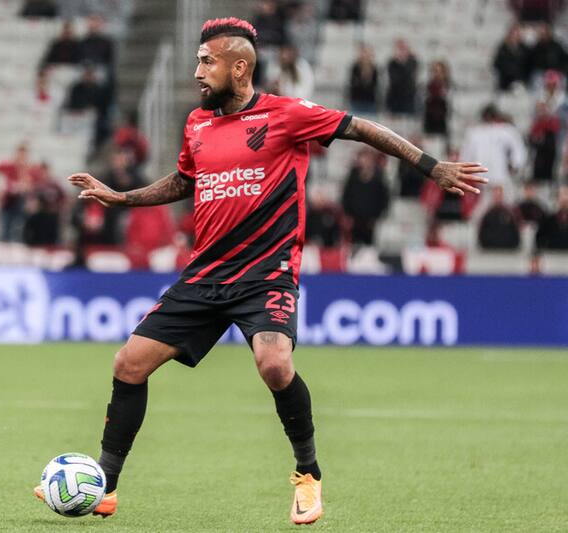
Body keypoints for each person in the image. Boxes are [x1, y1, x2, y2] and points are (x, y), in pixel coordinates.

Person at [33, 17, 487, 525]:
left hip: (266, 275)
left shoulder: (286, 115)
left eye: (207, 62)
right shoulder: (197, 124)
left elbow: (361, 127)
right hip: (205, 275)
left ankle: (308, 476)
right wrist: (123, 198)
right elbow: (185, 181)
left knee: (274, 365)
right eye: (197, 61)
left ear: (240, 66)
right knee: (128, 365)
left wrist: (431, 166)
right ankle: (107, 487)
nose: (198, 71)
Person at [460, 104, 527, 194]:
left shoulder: (506, 130)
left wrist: (515, 164)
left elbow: (518, 149)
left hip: (500, 176)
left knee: (502, 203)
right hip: (480, 178)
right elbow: (466, 155)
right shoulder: (474, 132)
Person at [340, 148, 389, 244]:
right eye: (363, 158)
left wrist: (377, 217)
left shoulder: (379, 177)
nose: (365, 161)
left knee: (368, 247)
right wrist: (347, 214)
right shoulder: (353, 175)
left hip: (371, 221)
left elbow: (384, 198)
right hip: (354, 220)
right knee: (352, 245)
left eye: (367, 158)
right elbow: (346, 195)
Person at [478, 186, 521, 250]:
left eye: (499, 196)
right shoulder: (487, 214)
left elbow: (516, 234)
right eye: (496, 196)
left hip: (508, 251)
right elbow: (481, 235)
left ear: (502, 196)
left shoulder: (510, 213)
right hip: (489, 251)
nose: (497, 198)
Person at [386, 39, 418, 116]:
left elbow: (409, 78)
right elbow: (395, 80)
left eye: (403, 49)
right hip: (394, 99)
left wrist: (403, 63)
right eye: (399, 49)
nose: (401, 52)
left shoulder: (413, 62)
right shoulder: (392, 63)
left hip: (408, 98)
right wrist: (399, 63)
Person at [493, 25, 530, 91]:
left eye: (516, 34)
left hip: (520, 80)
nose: (514, 36)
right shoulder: (503, 48)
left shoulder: (524, 48)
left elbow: (528, 64)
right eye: (513, 34)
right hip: (505, 81)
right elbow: (497, 63)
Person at [348, 44, 379, 114]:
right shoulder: (355, 67)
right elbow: (353, 83)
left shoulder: (374, 68)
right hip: (356, 100)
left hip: (370, 101)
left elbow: (374, 85)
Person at [423, 60, 450, 137]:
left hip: (443, 120)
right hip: (430, 119)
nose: (437, 73)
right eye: (435, 71)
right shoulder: (428, 86)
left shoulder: (448, 86)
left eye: (440, 71)